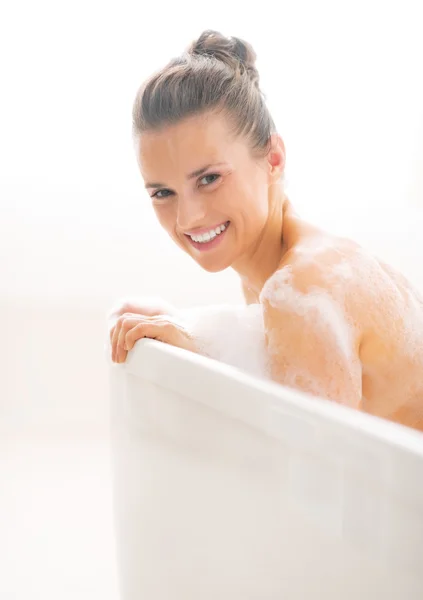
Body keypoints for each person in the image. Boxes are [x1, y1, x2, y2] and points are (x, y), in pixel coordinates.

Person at [109, 30, 423, 432]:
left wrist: (201, 359)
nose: (186, 219)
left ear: (273, 159)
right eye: (163, 192)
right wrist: (194, 341)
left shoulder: (303, 289)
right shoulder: (280, 275)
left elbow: (322, 476)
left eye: (208, 179)